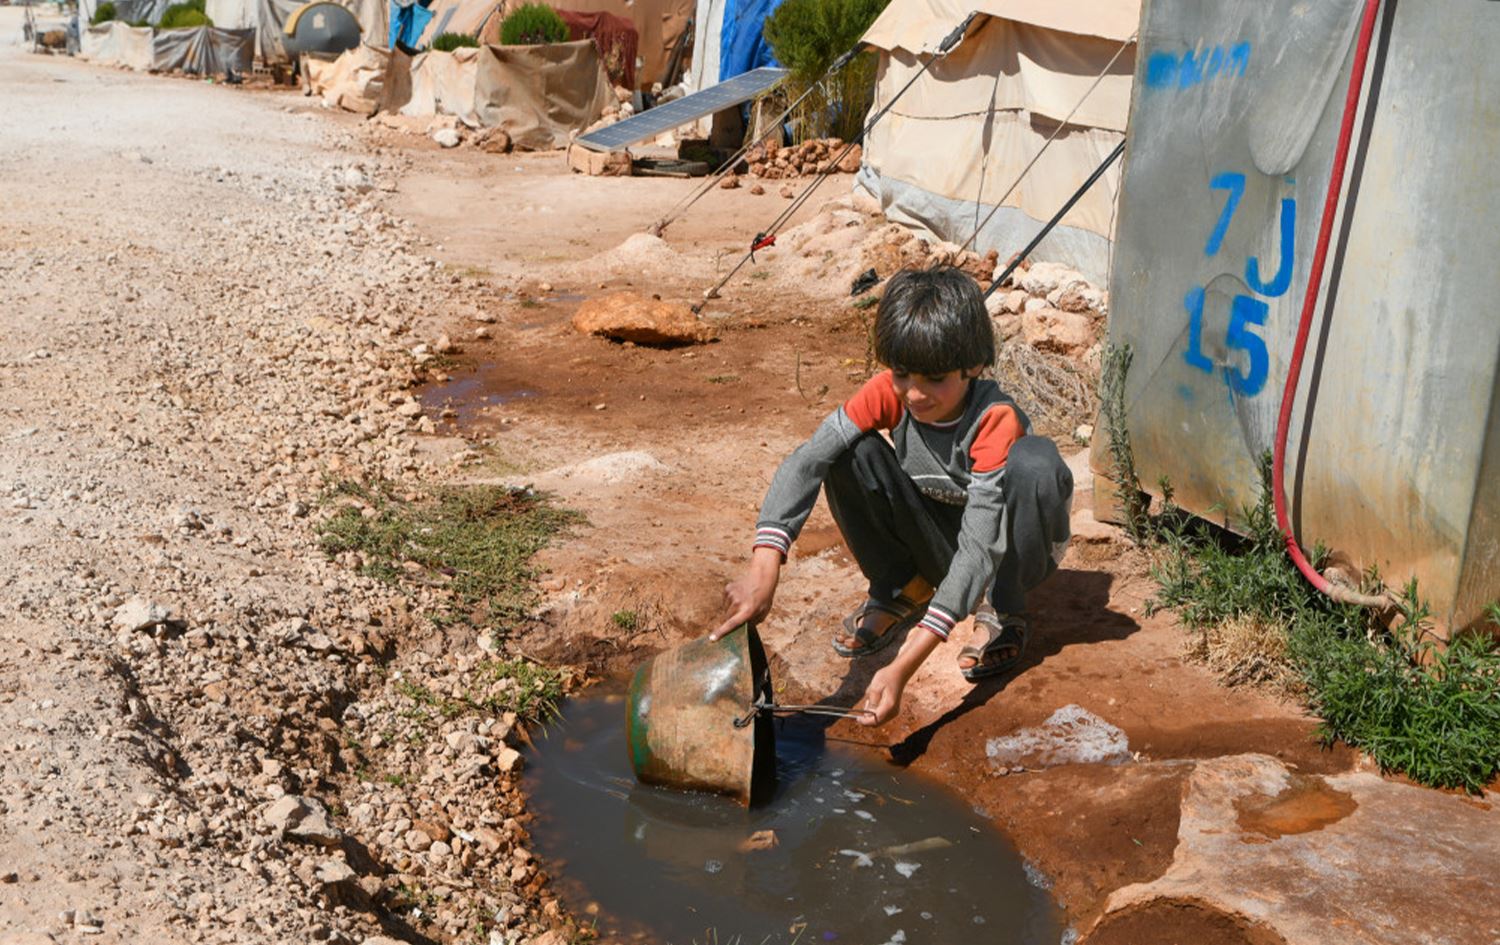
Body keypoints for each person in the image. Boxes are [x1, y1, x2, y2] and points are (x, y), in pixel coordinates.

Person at [710, 267, 1074, 727]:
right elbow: (807, 460)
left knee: (1034, 464)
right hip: (943, 541)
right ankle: (904, 586)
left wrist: (904, 664)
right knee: (848, 452)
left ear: (973, 366)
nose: (915, 394)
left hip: (1004, 549)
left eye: (935, 378)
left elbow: (980, 545)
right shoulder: (888, 394)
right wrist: (763, 570)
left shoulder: (993, 418)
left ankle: (1002, 606)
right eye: (902, 374)